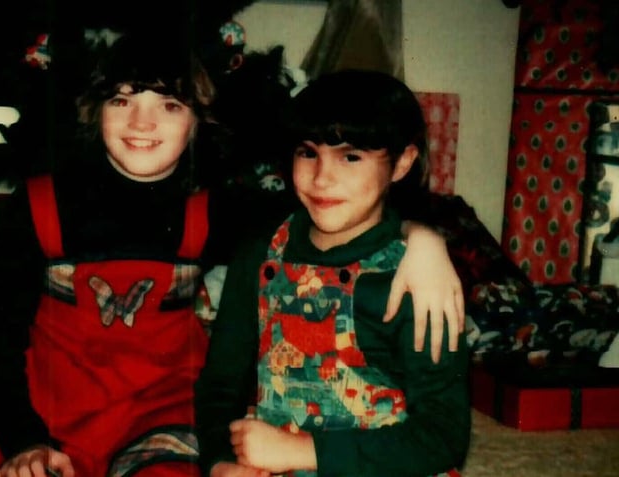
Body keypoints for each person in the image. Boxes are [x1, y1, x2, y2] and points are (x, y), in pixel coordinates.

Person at [0, 32, 464, 477]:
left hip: (156, 417)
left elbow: (343, 207)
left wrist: (425, 238)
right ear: (95, 110)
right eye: (122, 100)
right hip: (48, 417)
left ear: (197, 121)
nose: (142, 122)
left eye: (170, 104)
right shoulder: (36, 206)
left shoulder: (221, 210)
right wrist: (22, 440)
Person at [194, 70, 471, 477]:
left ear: (402, 163)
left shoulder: (418, 279)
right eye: (308, 152)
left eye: (351, 156)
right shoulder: (259, 253)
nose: (322, 178)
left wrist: (303, 452)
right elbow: (220, 385)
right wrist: (219, 461)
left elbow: (444, 437)